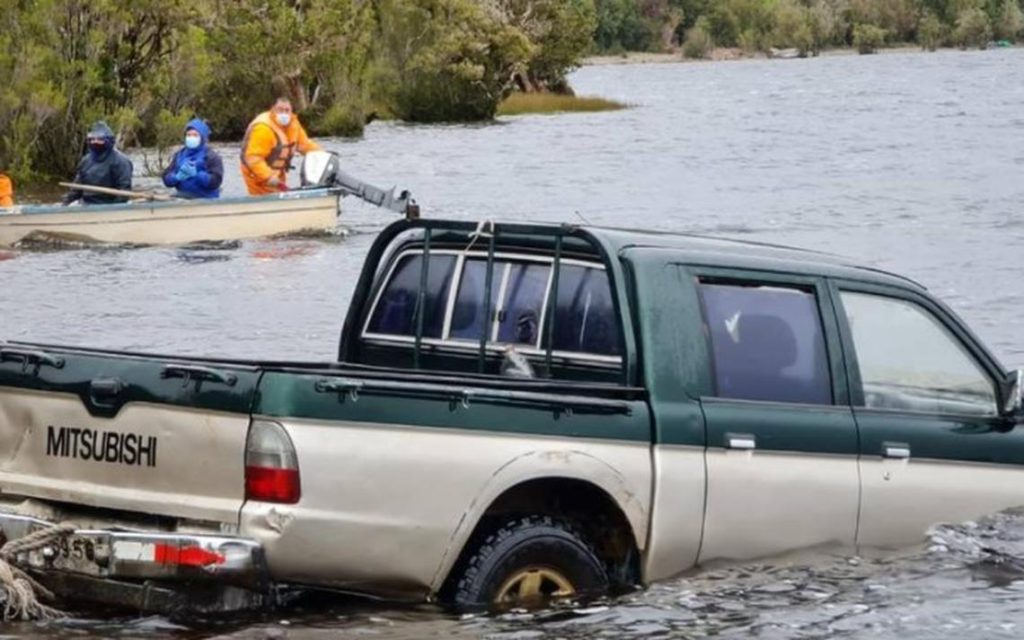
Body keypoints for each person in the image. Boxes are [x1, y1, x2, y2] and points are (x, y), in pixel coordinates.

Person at [240, 97, 321, 195]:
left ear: (291, 111)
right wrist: (268, 177)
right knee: (264, 199)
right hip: (256, 176)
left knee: (280, 194)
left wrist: (323, 155)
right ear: (273, 110)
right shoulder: (263, 128)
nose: (284, 113)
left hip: (278, 173)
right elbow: (253, 158)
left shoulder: (293, 125)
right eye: (280, 110)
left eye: (287, 110)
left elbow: (305, 145)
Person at [62, 121, 133, 206]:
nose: (95, 142)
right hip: (87, 204)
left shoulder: (121, 161)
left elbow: (124, 190)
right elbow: (76, 189)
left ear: (108, 141)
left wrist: (114, 208)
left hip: (110, 204)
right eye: (92, 139)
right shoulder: (85, 161)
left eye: (100, 139)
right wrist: (64, 205)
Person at [162, 118, 223, 199]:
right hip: (182, 198)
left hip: (206, 199)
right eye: (188, 135)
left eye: (195, 135)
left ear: (202, 138)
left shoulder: (211, 157)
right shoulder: (179, 155)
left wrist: (197, 175)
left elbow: (216, 182)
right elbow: (166, 178)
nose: (191, 137)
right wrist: (176, 177)